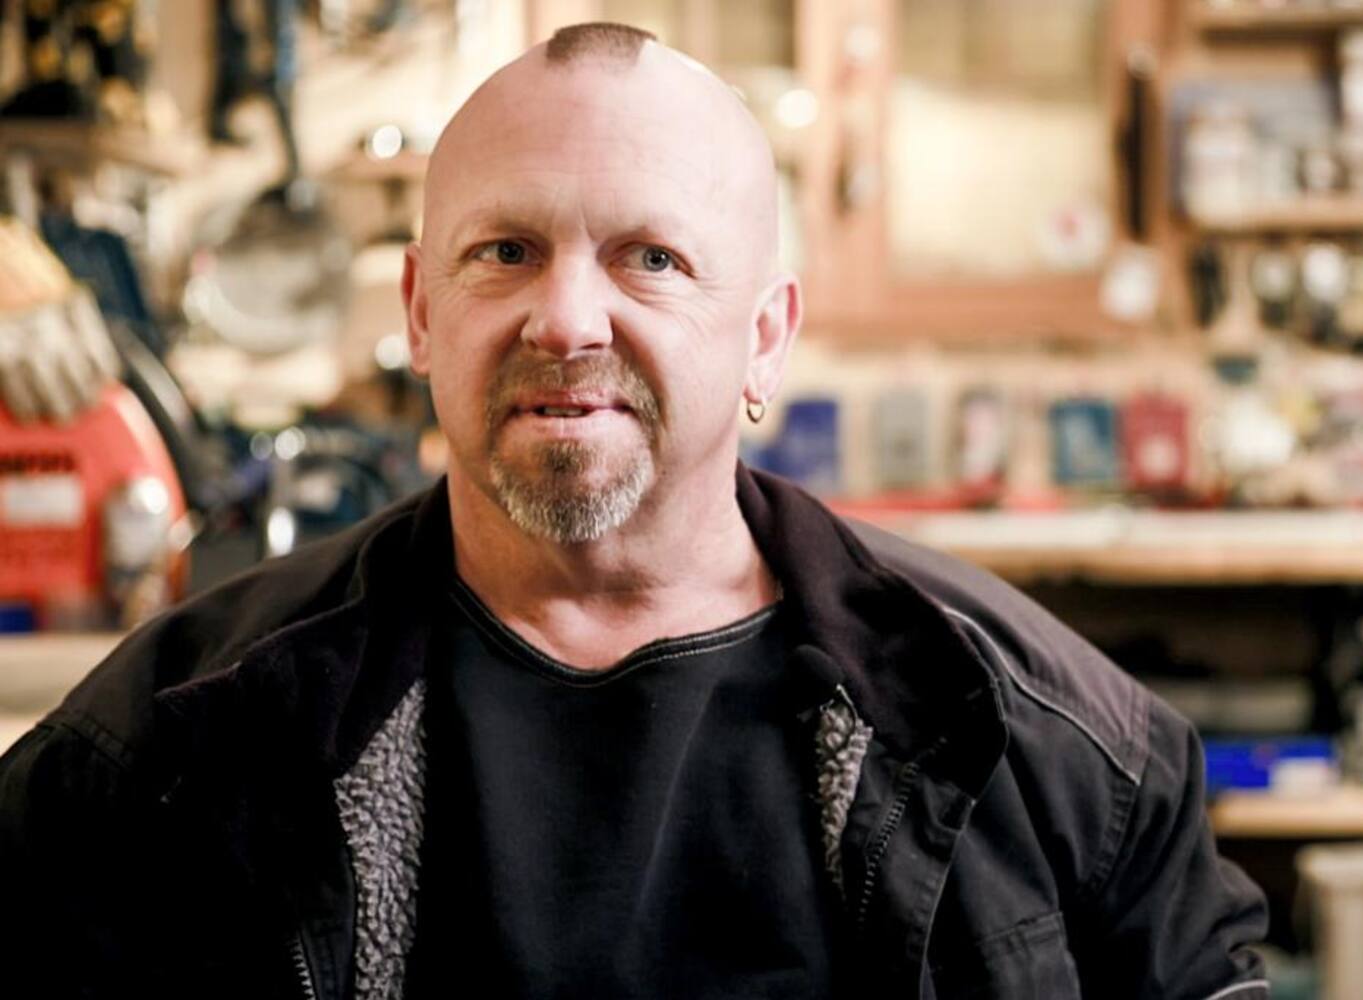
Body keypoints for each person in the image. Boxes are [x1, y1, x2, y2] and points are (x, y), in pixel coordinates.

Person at [0, 22, 1269, 999]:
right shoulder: (165, 751)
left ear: (765, 337)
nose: (565, 320)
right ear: (422, 313)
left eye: (650, 258)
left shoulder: (1053, 747)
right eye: (505, 251)